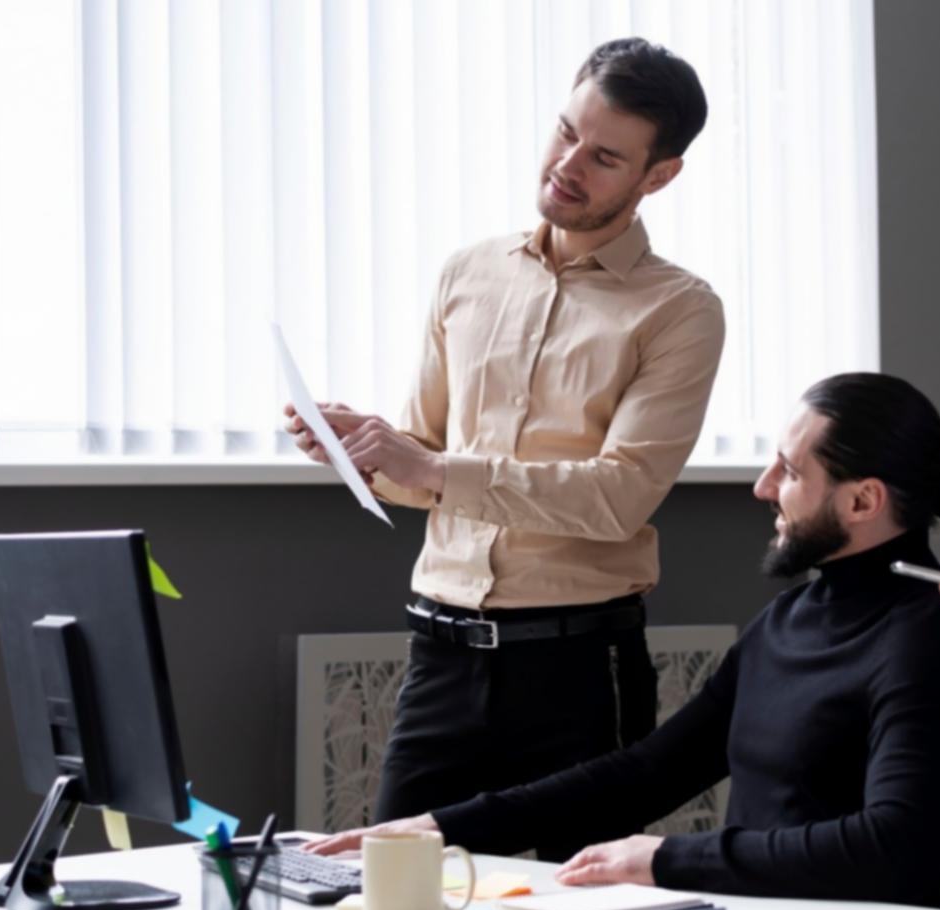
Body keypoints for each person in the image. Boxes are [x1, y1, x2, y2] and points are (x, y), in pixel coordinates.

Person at [306, 373, 940, 909]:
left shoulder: (933, 637)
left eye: (791, 471)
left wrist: (663, 860)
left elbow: (894, 849)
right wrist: (437, 826)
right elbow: (649, 770)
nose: (764, 487)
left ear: (863, 500)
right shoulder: (788, 620)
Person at [285, 38, 724, 862]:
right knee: (390, 893)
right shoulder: (468, 273)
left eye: (604, 157)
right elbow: (425, 467)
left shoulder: (680, 310)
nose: (567, 165)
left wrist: (430, 467)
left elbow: (618, 497)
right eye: (565, 132)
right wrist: (364, 452)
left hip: (578, 669)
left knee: (577, 908)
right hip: (440, 658)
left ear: (658, 176)